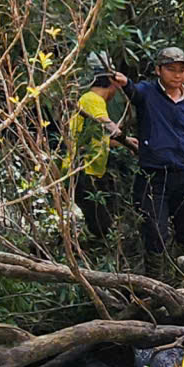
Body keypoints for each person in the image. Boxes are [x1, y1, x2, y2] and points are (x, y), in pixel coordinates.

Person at [127, 45, 184, 254]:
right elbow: (132, 90)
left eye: (182, 70)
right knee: (155, 232)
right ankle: (155, 273)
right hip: (153, 175)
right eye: (171, 69)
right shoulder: (147, 92)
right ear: (158, 70)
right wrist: (122, 82)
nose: (177, 75)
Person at [66, 68, 132, 247]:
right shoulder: (92, 99)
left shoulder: (91, 102)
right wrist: (125, 139)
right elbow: (108, 126)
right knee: (100, 222)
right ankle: (90, 252)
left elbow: (101, 138)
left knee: (100, 216)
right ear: (113, 84)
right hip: (83, 168)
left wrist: (127, 143)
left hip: (89, 170)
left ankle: (92, 249)